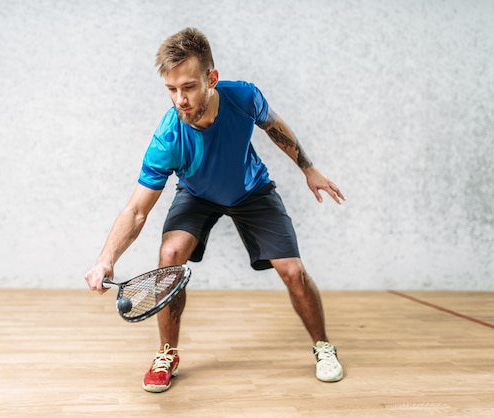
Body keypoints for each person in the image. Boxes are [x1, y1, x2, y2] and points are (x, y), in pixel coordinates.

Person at [84, 27, 345, 393]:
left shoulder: (243, 97)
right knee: (170, 255)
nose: (180, 100)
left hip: (251, 190)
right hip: (197, 194)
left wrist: (308, 168)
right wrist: (105, 258)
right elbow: (136, 210)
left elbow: (274, 127)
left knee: (293, 271)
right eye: (171, 90)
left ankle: (323, 346)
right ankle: (166, 354)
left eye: (188, 87)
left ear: (212, 79)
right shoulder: (168, 138)